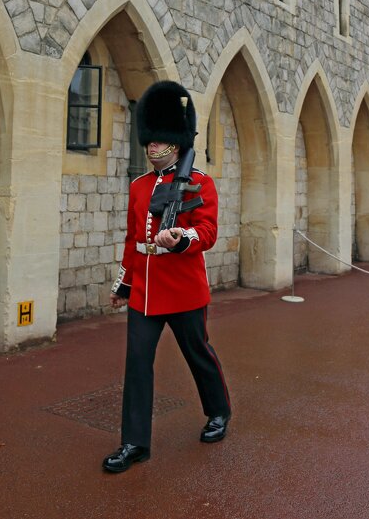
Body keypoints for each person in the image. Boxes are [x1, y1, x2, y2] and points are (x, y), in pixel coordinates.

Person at [102, 80, 231, 474]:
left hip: (184, 290)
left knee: (198, 353)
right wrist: (124, 285)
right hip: (144, 293)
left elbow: (207, 232)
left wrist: (180, 238)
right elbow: (132, 239)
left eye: (159, 141)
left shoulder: (201, 183)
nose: (151, 147)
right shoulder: (139, 187)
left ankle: (219, 411)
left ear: (175, 143)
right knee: (137, 364)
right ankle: (135, 443)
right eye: (150, 141)